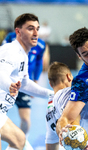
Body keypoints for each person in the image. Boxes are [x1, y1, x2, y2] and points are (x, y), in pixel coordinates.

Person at [0, 13, 54, 150]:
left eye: (37, 28)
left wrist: (53, 94)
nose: (36, 33)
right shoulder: (12, 51)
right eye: (30, 28)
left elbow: (25, 84)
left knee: (19, 140)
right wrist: (9, 85)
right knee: (19, 140)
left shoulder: (23, 54)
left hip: (2, 112)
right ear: (18, 31)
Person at [2, 31, 46, 138]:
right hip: (5, 84)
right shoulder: (10, 38)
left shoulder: (40, 45)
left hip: (22, 85)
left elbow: (39, 63)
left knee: (25, 120)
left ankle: (23, 141)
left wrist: (35, 81)